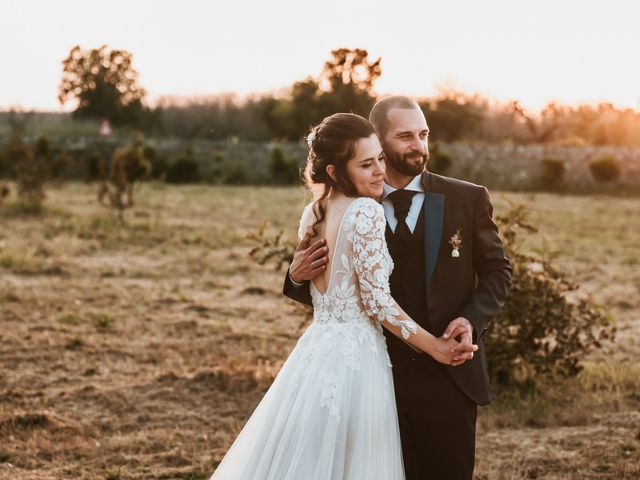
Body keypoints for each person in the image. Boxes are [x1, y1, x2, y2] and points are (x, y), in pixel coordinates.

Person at [210, 113, 477, 479]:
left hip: (317, 350)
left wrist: (295, 274)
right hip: (358, 358)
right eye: (367, 164)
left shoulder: (312, 212)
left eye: (380, 158)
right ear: (335, 172)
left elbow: (330, 283)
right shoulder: (366, 211)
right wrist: (436, 347)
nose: (380, 171)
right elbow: (377, 302)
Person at [284, 97, 512, 480]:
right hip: (373, 380)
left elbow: (497, 271)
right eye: (405, 136)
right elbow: (330, 284)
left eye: (423, 134)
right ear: (378, 140)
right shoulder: (345, 206)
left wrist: (470, 320)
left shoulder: (466, 198)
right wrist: (294, 276)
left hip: (448, 382)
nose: (419, 146)